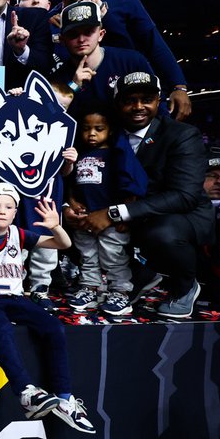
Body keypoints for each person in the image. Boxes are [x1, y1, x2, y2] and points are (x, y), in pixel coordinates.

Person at [0, 181, 94, 433]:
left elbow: (63, 245)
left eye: (8, 206)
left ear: (15, 212)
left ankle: (65, 398)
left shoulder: (18, 234)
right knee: (1, 330)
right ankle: (26, 390)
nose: (2, 210)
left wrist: (56, 226)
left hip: (14, 297)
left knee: (53, 328)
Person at [78, 72, 213, 318]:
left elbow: (184, 196)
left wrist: (115, 214)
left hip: (179, 218)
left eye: (147, 99)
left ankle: (185, 286)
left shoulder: (182, 134)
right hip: (130, 215)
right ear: (118, 103)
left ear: (158, 100)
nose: (138, 107)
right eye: (130, 100)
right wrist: (73, 205)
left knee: (160, 233)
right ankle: (141, 275)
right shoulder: (106, 131)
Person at [48, 0, 192, 120]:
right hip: (85, 106)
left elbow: (153, 43)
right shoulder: (49, 21)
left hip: (133, 93)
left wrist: (179, 86)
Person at [63, 106, 148, 316]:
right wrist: (72, 202)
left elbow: (129, 184)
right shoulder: (80, 154)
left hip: (110, 219)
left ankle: (120, 291)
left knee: (114, 256)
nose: (91, 133)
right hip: (84, 219)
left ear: (110, 130)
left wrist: (123, 216)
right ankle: (89, 288)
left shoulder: (116, 154)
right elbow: (71, 184)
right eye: (86, 129)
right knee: (87, 255)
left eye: (98, 128)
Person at [52, 0, 158, 114]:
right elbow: (52, 118)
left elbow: (157, 106)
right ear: (62, 40)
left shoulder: (132, 61)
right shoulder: (57, 79)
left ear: (101, 35)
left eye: (88, 32)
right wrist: (73, 86)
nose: (81, 39)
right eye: (73, 34)